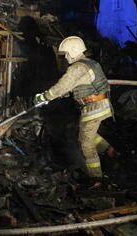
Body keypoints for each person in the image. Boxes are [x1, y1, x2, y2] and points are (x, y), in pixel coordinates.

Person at [33, 36, 115, 188]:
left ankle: (97, 179)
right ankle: (109, 149)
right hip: (99, 105)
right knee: (85, 132)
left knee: (86, 144)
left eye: (66, 53)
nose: (65, 57)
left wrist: (45, 96)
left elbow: (63, 86)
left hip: (93, 107)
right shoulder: (88, 63)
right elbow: (72, 88)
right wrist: (55, 96)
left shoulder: (77, 68)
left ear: (73, 51)